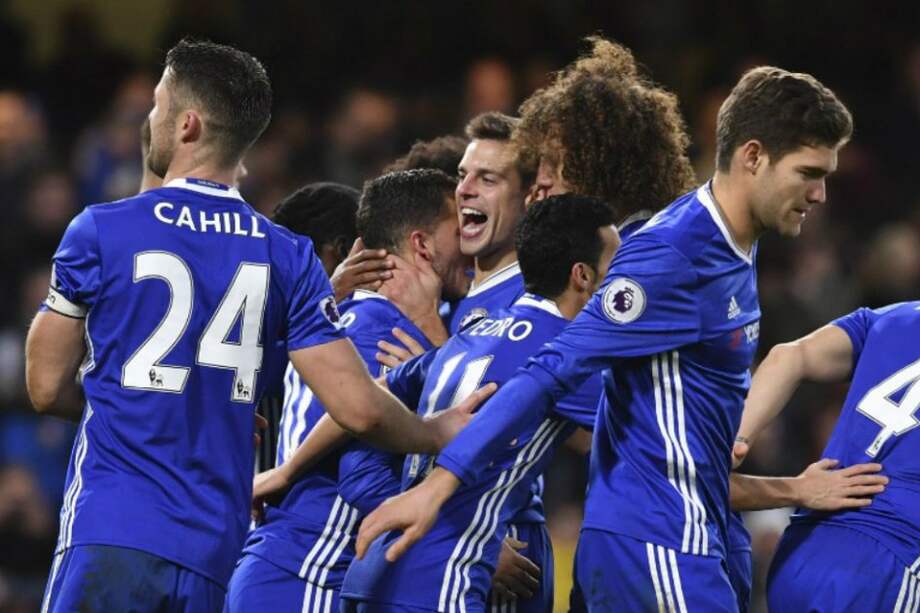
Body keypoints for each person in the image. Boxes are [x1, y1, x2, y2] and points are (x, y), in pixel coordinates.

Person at [355, 64, 854, 612]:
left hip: (687, 535)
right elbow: (550, 372)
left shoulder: (730, 242)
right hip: (660, 543)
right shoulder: (671, 256)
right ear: (753, 156)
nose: (821, 194)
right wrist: (439, 485)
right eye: (809, 173)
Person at [26, 39, 487, 613]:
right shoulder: (288, 255)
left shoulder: (100, 229)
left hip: (114, 525)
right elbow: (359, 409)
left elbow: (45, 386)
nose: (152, 117)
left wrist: (142, 405)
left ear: (187, 124)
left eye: (159, 104)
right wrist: (433, 432)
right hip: (215, 549)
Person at [341, 194, 618, 612]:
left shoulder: (469, 336)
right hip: (442, 578)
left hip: (375, 571)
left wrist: (285, 470)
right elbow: (657, 447)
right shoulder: (566, 353)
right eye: (615, 267)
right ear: (582, 275)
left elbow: (363, 402)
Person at [226, 169, 470, 613]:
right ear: (422, 245)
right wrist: (459, 539)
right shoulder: (383, 334)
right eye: (458, 230)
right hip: (308, 574)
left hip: (291, 570)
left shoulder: (341, 321)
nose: (468, 244)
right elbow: (361, 476)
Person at [731, 301, 918, 611]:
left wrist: (737, 441)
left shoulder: (892, 317)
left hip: (803, 549)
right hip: (890, 565)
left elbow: (788, 356)